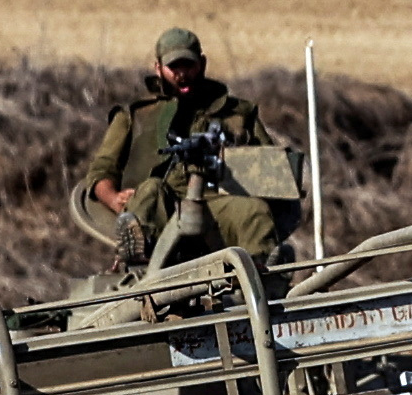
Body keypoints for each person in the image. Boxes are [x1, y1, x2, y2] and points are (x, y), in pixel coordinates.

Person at [77, 26, 289, 270]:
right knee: (150, 191)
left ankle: (262, 271)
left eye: (188, 66)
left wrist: (236, 160)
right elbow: (101, 170)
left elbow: (275, 172)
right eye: (173, 68)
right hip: (163, 207)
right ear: (158, 68)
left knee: (254, 211)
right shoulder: (135, 117)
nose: (182, 75)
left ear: (202, 64)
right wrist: (113, 197)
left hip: (218, 201)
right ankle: (137, 254)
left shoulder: (237, 114)